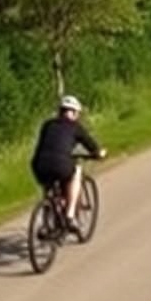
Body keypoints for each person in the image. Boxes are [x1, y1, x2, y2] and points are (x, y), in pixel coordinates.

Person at [30, 95, 107, 228]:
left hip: (39, 165)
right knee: (76, 171)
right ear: (74, 112)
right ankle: (70, 215)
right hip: (61, 164)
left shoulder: (47, 125)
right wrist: (99, 153)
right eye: (77, 113)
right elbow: (91, 145)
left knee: (49, 185)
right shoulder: (75, 127)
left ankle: (47, 219)